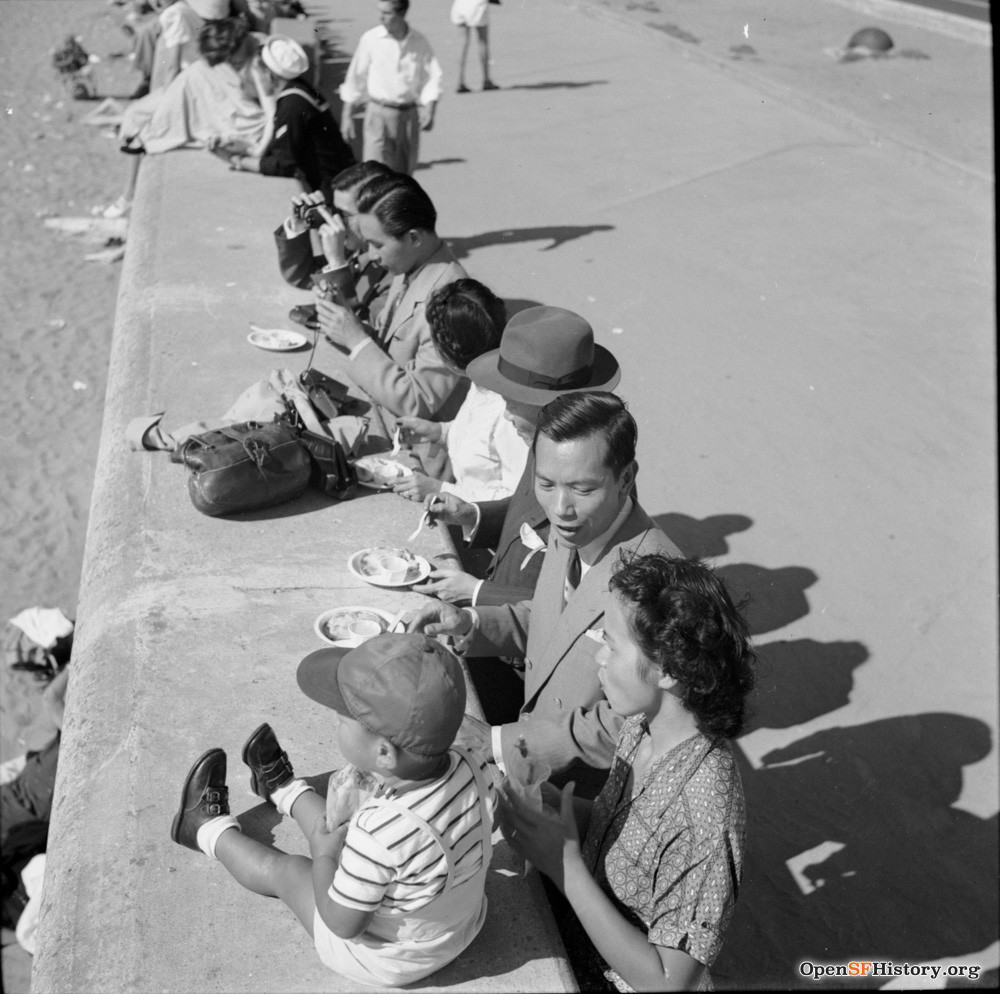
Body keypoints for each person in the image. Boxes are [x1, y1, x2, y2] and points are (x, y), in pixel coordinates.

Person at [169, 634, 494, 987]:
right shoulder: (475, 764)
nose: (335, 725)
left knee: (291, 869)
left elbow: (343, 924)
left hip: (388, 954)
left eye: (341, 721)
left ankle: (204, 829)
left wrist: (323, 858)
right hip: (456, 926)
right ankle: (283, 790)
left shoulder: (379, 831)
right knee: (337, 824)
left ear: (385, 752)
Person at [498, 553, 755, 991]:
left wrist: (565, 869)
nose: (599, 658)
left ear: (669, 670)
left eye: (612, 645)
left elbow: (668, 981)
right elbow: (626, 834)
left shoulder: (706, 809)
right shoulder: (642, 725)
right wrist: (558, 811)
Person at [407, 392, 683, 798]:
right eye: (545, 483)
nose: (559, 508)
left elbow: (632, 722)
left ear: (626, 479)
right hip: (539, 774)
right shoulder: (576, 525)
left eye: (582, 489)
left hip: (591, 801)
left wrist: (503, 745)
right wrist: (473, 623)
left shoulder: (657, 580)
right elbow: (556, 621)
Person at [414, 306, 620, 610]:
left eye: (512, 403)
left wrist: (477, 593)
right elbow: (528, 510)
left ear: (551, 404)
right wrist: (472, 514)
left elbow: (575, 609)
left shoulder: (595, 485)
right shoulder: (543, 439)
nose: (506, 415)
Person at [315, 173, 467, 475]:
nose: (371, 255)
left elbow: (417, 402)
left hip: (424, 461)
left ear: (413, 238)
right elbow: (386, 347)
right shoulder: (410, 266)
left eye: (377, 244)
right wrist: (343, 318)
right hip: (389, 427)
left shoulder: (451, 298)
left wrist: (356, 339)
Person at [109, 16, 269, 216]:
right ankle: (129, 193)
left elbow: (171, 67)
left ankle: (129, 194)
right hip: (198, 87)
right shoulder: (219, 49)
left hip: (225, 102)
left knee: (145, 122)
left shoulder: (259, 51)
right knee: (136, 115)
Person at [390, 278, 527, 503]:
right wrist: (439, 432)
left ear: (450, 358)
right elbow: (482, 439)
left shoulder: (509, 414)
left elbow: (514, 499)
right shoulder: (482, 379)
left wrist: (439, 488)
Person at [219, 35, 356, 200]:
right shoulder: (299, 90)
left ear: (270, 74)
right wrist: (246, 147)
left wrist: (238, 161)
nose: (257, 79)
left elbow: (282, 164)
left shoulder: (292, 106)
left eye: (259, 72)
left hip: (331, 190)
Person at [274, 160, 395, 327]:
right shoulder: (359, 243)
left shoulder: (395, 265)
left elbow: (363, 331)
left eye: (345, 214)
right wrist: (299, 226)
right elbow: (302, 277)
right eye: (335, 210)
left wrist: (337, 263)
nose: (337, 220)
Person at [338, 0, 443, 175]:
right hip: (378, 114)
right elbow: (355, 78)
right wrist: (346, 116)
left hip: (407, 118)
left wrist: (430, 109)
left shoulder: (419, 42)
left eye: (387, 13)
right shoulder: (371, 39)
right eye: (380, 12)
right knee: (375, 175)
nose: (381, 17)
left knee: (403, 177)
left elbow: (432, 77)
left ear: (401, 14)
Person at [450, 0, 498, 93]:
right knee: (482, 41)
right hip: (477, 6)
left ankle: (460, 81)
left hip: (459, 6)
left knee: (462, 44)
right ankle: (486, 80)